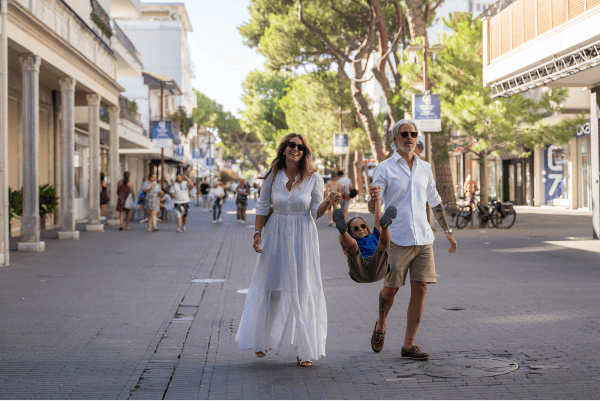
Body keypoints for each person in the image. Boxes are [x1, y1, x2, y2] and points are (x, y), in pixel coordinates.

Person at [236, 133, 335, 368]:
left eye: (301, 147)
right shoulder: (273, 175)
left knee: (303, 287)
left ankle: (305, 348)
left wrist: (328, 203)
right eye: (292, 145)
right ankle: (263, 340)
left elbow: (314, 211)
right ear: (284, 149)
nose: (296, 149)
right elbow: (261, 205)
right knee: (273, 287)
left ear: (305, 152)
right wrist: (257, 233)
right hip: (276, 232)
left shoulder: (314, 177)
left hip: (304, 235)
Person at [368, 119, 457, 361]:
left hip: (423, 238)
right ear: (395, 139)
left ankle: (409, 344)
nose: (409, 137)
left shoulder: (425, 168)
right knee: (391, 289)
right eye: (404, 134)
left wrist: (448, 231)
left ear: (417, 138)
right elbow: (375, 204)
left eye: (413, 134)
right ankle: (381, 322)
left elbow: (435, 201)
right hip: (396, 238)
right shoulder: (384, 168)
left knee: (421, 288)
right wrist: (373, 200)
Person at [332, 186, 396, 283]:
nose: (361, 229)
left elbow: (378, 216)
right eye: (356, 229)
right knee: (353, 246)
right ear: (351, 233)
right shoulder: (353, 240)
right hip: (359, 268)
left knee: (382, 244)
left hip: (378, 266)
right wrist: (334, 204)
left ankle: (385, 225)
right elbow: (350, 243)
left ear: (367, 227)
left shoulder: (374, 236)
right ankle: (343, 231)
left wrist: (377, 199)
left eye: (363, 226)